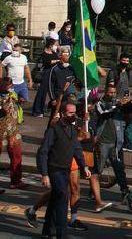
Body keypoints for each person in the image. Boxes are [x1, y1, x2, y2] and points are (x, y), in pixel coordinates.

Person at [35, 100, 89, 237]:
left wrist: (84, 166)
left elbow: (77, 149)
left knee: (55, 199)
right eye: (71, 113)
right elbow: (43, 151)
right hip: (54, 169)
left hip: (65, 170)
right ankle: (61, 234)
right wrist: (44, 174)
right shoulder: (54, 129)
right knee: (63, 198)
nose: (73, 115)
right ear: (63, 113)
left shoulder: (72, 129)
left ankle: (47, 231)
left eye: (75, 113)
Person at [93, 84, 131, 203]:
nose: (112, 95)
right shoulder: (100, 103)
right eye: (110, 93)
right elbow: (104, 113)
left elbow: (129, 111)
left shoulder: (118, 103)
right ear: (105, 92)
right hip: (103, 141)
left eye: (114, 93)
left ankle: (125, 191)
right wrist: (116, 106)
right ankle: (93, 191)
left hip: (116, 142)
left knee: (119, 168)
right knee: (98, 168)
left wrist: (129, 102)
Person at [0, 78, 24, 190]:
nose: (9, 87)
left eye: (10, 85)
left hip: (13, 130)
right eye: (7, 85)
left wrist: (20, 100)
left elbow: (16, 105)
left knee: (16, 155)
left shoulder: (12, 94)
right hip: (1, 131)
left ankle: (16, 181)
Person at [31, 39, 58, 117]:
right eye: (54, 45)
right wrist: (54, 61)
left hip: (54, 74)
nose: (55, 46)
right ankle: (37, 111)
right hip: (46, 73)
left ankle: (53, 110)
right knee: (42, 92)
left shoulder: (54, 53)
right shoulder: (44, 54)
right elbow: (45, 63)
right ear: (50, 45)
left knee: (54, 92)